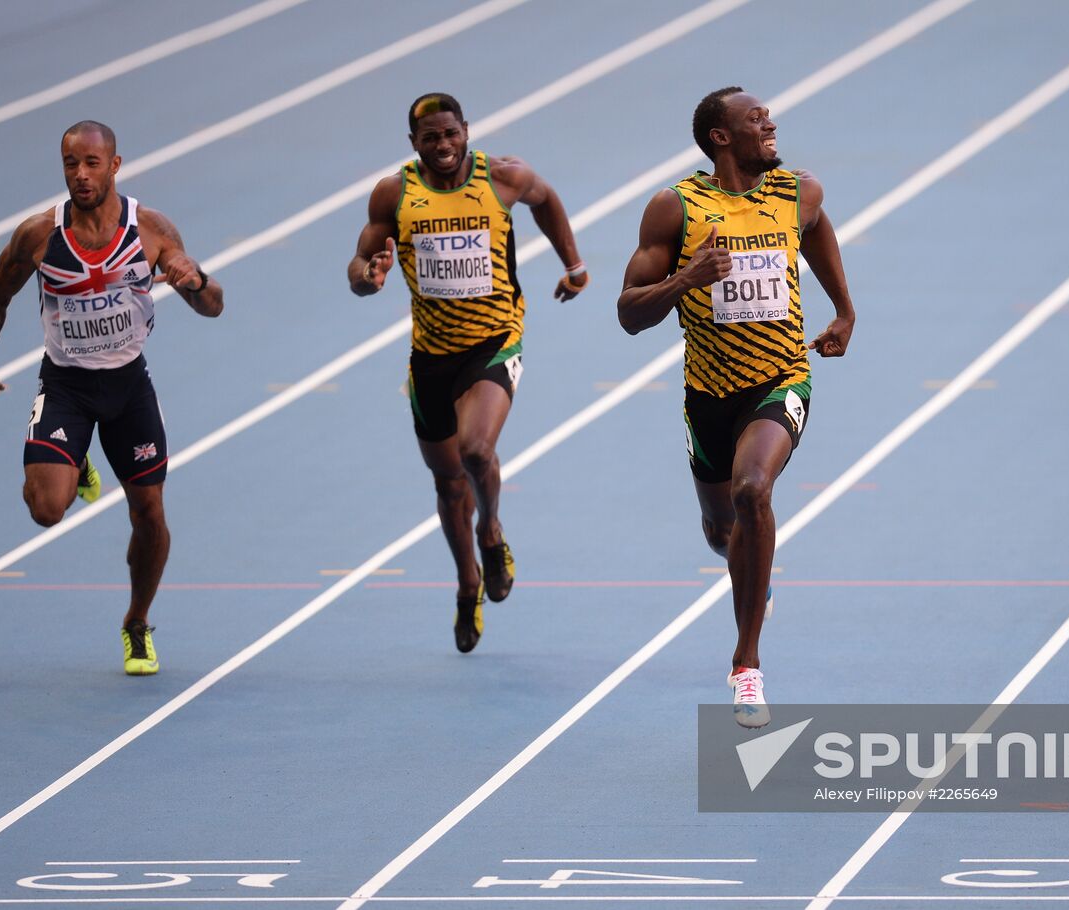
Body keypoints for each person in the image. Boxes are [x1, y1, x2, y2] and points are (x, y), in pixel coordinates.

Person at [617, 87, 855, 728]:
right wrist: (685, 280)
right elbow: (628, 314)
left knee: (755, 492)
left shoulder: (796, 192)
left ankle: (746, 664)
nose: (770, 123)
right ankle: (752, 574)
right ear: (721, 137)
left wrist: (844, 310)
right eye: (756, 119)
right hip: (708, 395)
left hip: (781, 380)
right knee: (724, 532)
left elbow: (817, 233)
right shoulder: (677, 207)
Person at [0, 120, 224, 676]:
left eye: (91, 163)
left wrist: (193, 279)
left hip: (129, 387)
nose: (80, 175)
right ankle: (72, 456)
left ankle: (136, 622)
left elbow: (214, 306)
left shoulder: (152, 230)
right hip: (67, 387)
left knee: (149, 513)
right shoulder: (39, 235)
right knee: (46, 511)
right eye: (70, 164)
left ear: (115, 165)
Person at [348, 92, 588, 654]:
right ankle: (466, 584)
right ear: (414, 144)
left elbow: (546, 200)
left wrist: (573, 265)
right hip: (430, 356)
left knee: (476, 452)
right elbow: (358, 267)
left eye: (450, 133)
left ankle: (492, 531)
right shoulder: (395, 192)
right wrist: (369, 275)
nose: (443, 146)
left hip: (494, 343)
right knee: (448, 484)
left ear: (466, 131)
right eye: (430, 138)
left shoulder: (503, 177)